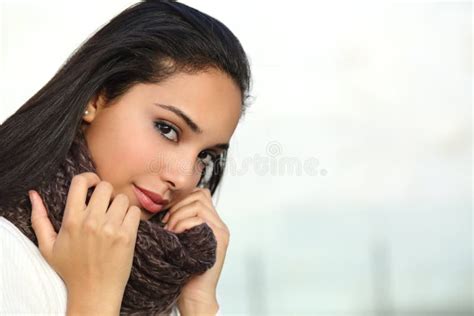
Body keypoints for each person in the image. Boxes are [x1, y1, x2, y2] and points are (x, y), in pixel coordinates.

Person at [0, 0, 252, 315]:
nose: (185, 177)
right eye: (167, 129)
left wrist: (198, 304)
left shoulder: (159, 287)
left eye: (206, 155)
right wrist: (95, 298)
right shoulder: (7, 254)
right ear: (96, 98)